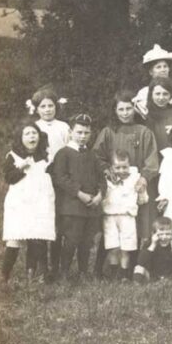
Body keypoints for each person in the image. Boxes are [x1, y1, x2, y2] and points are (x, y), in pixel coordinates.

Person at [93, 91, 159, 251]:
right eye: (121, 109)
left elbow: (152, 159)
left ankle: (134, 265)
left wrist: (144, 178)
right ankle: (107, 266)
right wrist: (107, 170)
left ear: (134, 109)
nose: (125, 113)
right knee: (112, 223)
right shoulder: (108, 132)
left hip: (136, 185)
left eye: (128, 108)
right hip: (114, 186)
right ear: (115, 110)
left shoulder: (144, 131)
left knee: (137, 221)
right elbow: (96, 156)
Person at [51, 114, 106, 281]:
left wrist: (100, 195)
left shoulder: (92, 155)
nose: (83, 137)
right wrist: (80, 194)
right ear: (71, 132)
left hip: (91, 207)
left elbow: (101, 178)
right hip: (72, 207)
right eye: (79, 132)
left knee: (86, 242)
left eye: (86, 133)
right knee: (71, 241)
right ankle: (64, 272)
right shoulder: (63, 153)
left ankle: (83, 272)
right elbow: (60, 178)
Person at [0, 120, 55, 282]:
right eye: (27, 134)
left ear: (39, 136)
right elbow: (9, 178)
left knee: (37, 237)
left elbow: (52, 176)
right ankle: (4, 275)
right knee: (14, 238)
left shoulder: (46, 157)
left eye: (34, 133)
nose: (32, 136)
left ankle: (36, 274)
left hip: (40, 203)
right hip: (19, 204)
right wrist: (21, 168)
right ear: (20, 138)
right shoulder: (13, 156)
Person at [100, 150, 147, 280]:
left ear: (129, 165)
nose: (121, 170)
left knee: (126, 247)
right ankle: (114, 273)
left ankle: (124, 274)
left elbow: (143, 200)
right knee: (113, 247)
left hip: (128, 216)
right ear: (111, 167)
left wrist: (142, 192)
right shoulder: (107, 178)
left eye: (125, 167)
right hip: (110, 216)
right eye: (117, 167)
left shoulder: (135, 178)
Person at [133, 216, 172, 282]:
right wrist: (153, 245)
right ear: (154, 234)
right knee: (138, 268)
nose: (164, 237)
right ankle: (137, 286)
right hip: (153, 275)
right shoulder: (149, 244)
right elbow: (140, 262)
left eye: (168, 234)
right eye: (160, 234)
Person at [132, 44, 172, 119]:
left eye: (165, 66)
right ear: (151, 72)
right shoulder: (144, 92)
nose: (163, 70)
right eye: (158, 67)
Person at [31, 87, 70, 163]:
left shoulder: (63, 126)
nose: (47, 109)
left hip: (62, 166)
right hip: (40, 167)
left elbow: (70, 147)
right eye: (43, 106)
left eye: (50, 106)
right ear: (37, 110)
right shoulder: (34, 127)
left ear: (56, 106)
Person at [143, 78, 172, 154]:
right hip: (152, 155)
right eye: (157, 94)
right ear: (151, 94)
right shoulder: (145, 113)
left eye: (165, 94)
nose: (161, 98)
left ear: (171, 95)